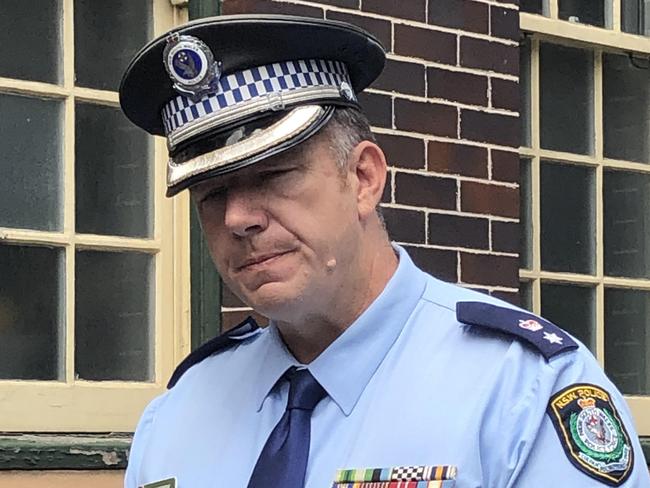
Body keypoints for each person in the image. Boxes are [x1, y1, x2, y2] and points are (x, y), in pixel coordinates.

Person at [119, 14, 650, 488]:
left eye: (273, 177)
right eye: (212, 195)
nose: (237, 218)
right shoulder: (180, 414)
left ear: (365, 178)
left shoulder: (521, 392)